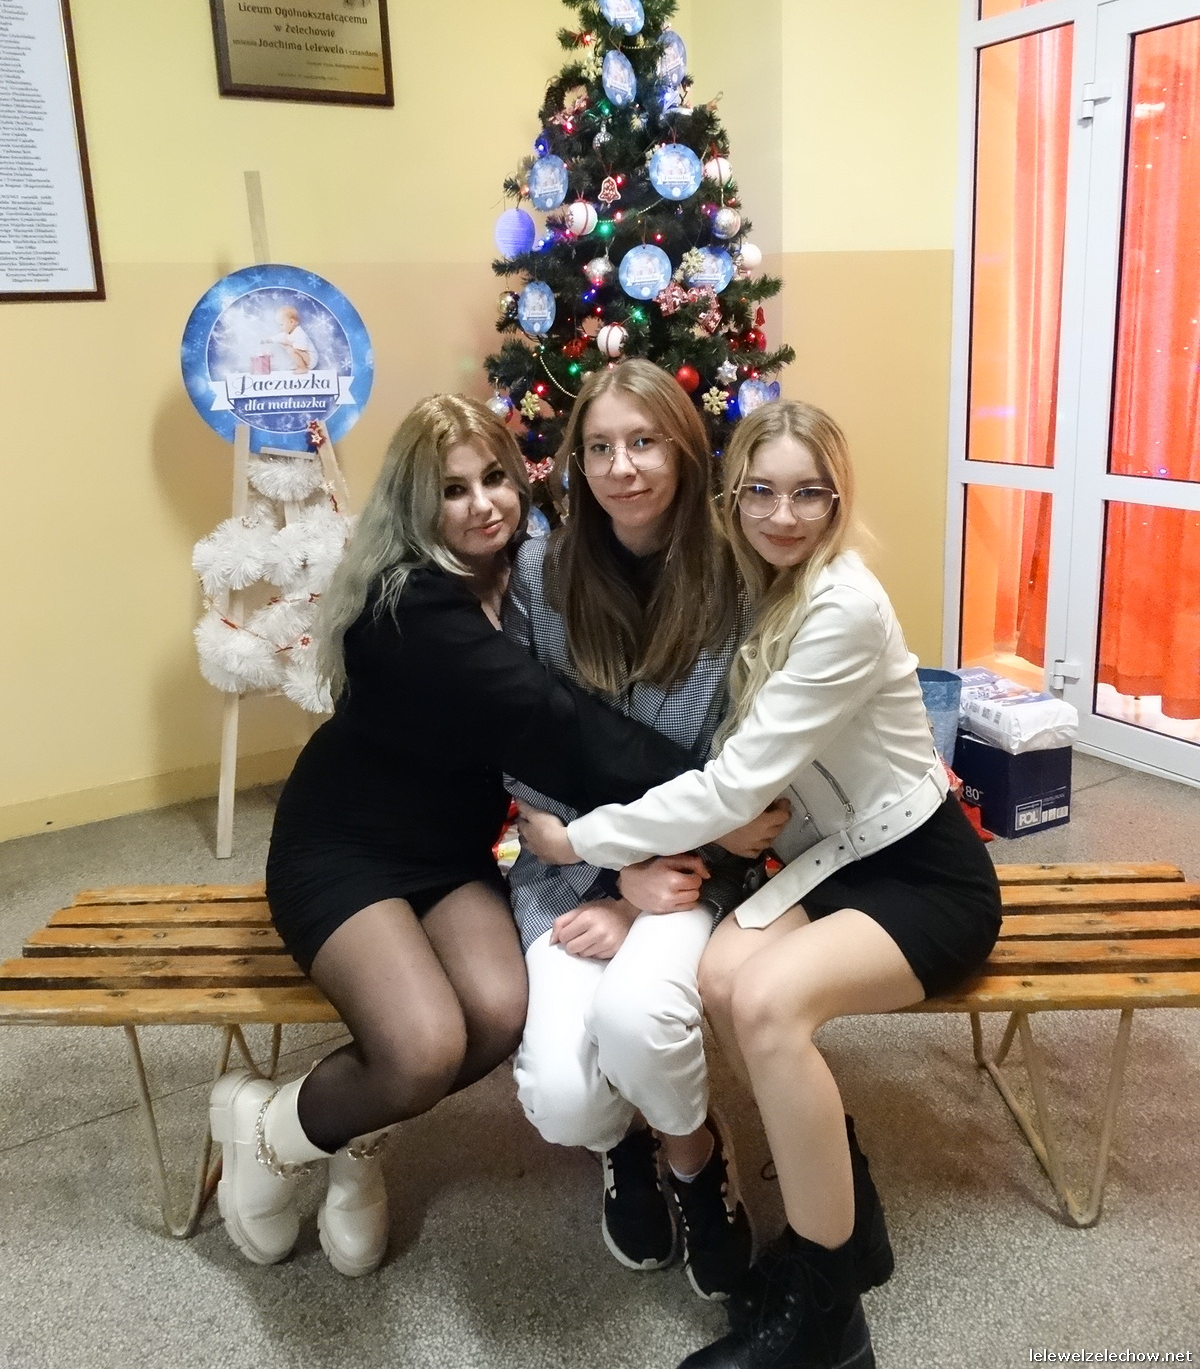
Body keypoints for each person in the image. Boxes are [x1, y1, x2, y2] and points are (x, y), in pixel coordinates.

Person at [519, 399, 1003, 1369]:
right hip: (834, 860)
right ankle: (852, 1219)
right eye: (762, 493)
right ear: (733, 496)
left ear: (838, 498)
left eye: (808, 494)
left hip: (920, 873)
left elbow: (734, 786)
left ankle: (828, 1320)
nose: (784, 516)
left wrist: (582, 840)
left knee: (769, 1006)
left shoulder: (841, 605)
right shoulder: (763, 585)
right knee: (721, 975)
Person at [209, 394, 694, 1278]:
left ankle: (356, 1133)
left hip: (446, 852)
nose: (483, 505)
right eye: (453, 489)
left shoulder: (525, 572)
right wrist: (711, 788)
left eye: (495, 477)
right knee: (423, 1046)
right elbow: (553, 722)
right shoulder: (409, 603)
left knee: (500, 1013)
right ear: (415, 503)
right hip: (344, 847)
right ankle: (271, 1131)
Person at [506, 360, 788, 1302]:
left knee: (638, 1019)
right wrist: (604, 867)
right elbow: (519, 744)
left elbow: (745, 774)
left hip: (693, 869)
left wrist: (642, 890)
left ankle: (694, 1154)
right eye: (599, 447)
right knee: (561, 1098)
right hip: (567, 868)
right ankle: (621, 1141)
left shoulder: (739, 577)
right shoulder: (540, 573)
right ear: (576, 462)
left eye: (643, 442)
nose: (621, 467)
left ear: (685, 448)